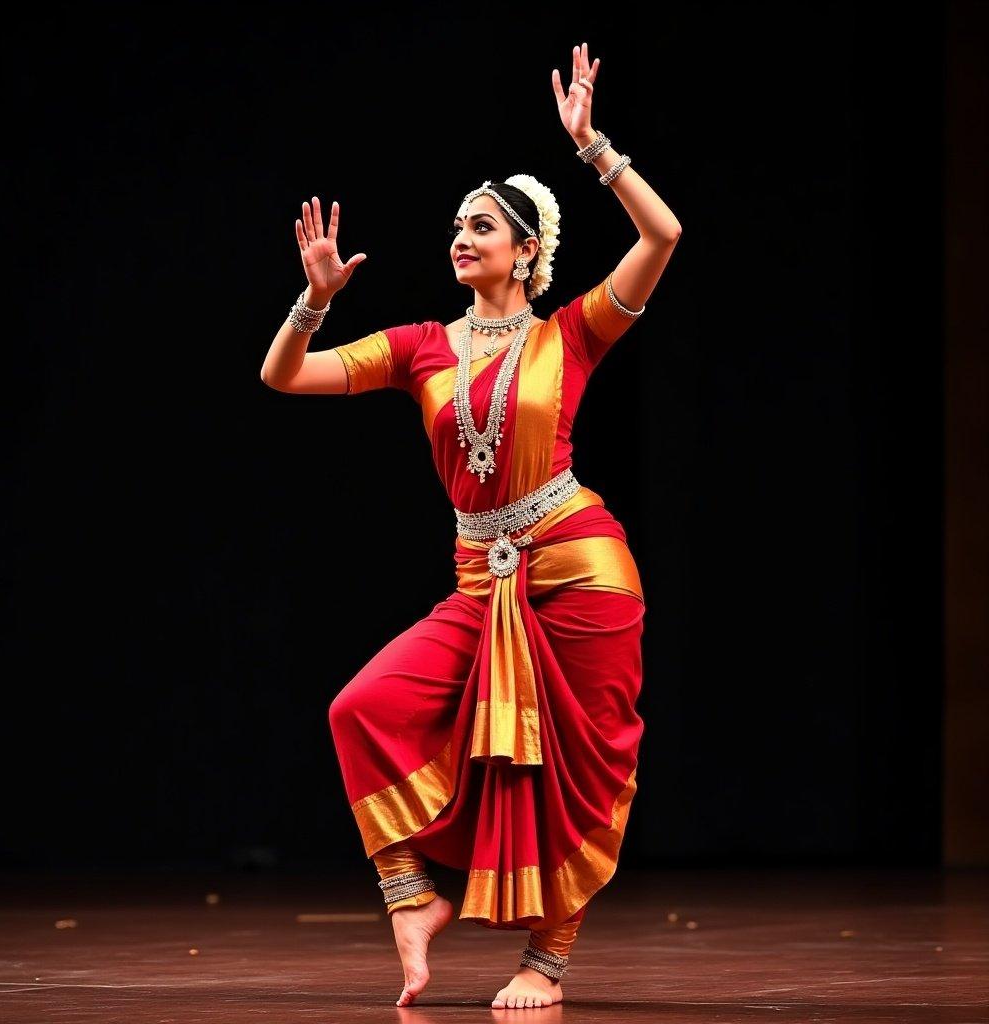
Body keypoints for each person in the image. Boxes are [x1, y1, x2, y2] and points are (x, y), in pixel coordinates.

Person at [260, 42, 681, 1010]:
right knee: (360, 706)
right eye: (455, 224)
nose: (460, 236)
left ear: (527, 248)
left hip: (579, 571)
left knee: (576, 764)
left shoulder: (570, 331)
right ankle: (410, 899)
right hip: (479, 580)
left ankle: (547, 960)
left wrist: (595, 149)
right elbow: (283, 376)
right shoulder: (419, 348)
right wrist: (311, 304)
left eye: (481, 224)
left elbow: (662, 238)